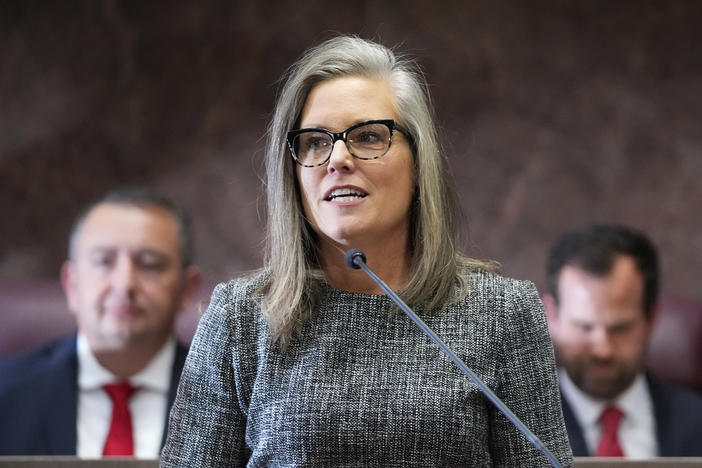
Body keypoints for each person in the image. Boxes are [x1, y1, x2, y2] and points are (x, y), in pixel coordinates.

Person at [161, 35, 573, 467]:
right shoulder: (238, 318)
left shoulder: (504, 314)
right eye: (315, 142)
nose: (337, 158)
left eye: (369, 136)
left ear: (419, 162)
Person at [0, 187, 201, 458]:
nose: (124, 284)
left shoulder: (230, 401)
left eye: (150, 264)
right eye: (104, 261)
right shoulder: (8, 392)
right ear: (71, 284)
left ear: (187, 289)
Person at [543, 223, 702, 457]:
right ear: (551, 316)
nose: (603, 350)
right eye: (584, 327)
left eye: (620, 328)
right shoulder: (510, 429)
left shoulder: (696, 421)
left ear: (652, 318)